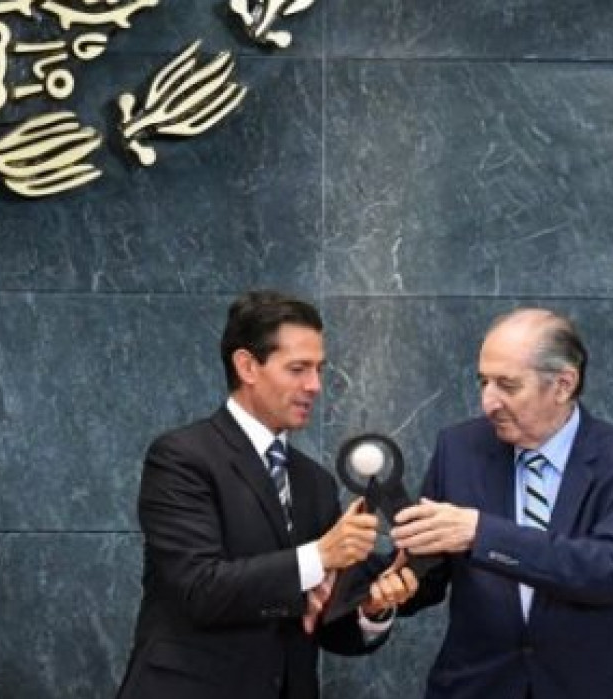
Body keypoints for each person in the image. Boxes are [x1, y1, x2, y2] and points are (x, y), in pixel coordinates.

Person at [116, 290, 417, 699]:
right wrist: (322, 555)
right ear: (247, 366)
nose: (315, 386)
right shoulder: (181, 457)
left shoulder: (315, 482)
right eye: (298, 369)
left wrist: (370, 608)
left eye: (319, 370)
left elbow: (320, 623)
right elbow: (200, 591)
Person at [392, 308, 613, 698]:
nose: (488, 402)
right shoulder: (458, 449)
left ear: (563, 385)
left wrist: (482, 533)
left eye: (507, 386)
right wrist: (379, 589)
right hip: (479, 687)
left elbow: (612, 571)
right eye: (483, 382)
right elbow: (428, 574)